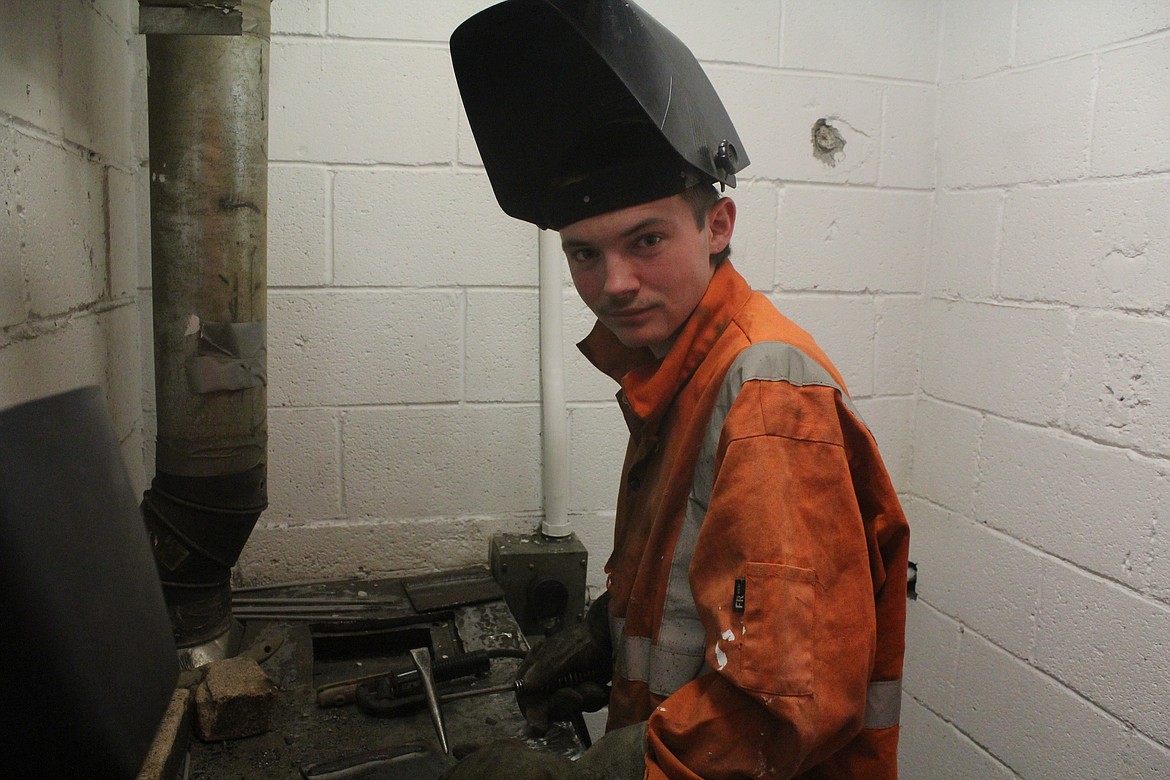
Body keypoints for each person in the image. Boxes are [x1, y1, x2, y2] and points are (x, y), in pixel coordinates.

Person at [445, 1, 910, 778]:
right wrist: (606, 632)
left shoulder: (765, 394)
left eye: (647, 241)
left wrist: (584, 777)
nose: (613, 284)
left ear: (718, 225)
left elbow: (787, 700)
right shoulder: (677, 369)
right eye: (584, 254)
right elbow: (720, 583)